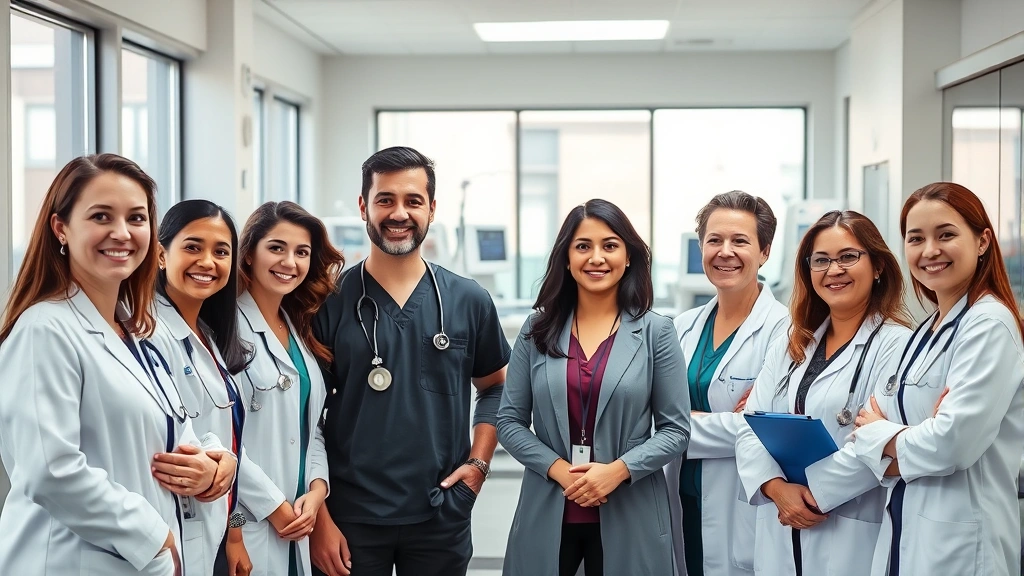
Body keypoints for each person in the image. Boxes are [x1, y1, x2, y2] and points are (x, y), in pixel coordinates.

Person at [0, 154, 222, 575]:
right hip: (74, 560)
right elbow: (50, 470)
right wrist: (154, 539)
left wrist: (214, 461)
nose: (122, 233)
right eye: (102, 216)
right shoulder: (44, 329)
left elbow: (172, 432)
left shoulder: (134, 332)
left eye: (137, 218)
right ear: (60, 228)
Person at [309, 146, 511, 576]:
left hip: (440, 510)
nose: (398, 213)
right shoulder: (328, 305)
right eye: (385, 200)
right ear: (364, 206)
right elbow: (304, 418)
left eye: (413, 201)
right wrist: (320, 521)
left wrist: (477, 466)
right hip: (349, 516)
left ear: (432, 209)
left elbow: (496, 386)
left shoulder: (468, 300)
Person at [497, 199, 691, 576]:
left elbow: (676, 430)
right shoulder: (536, 331)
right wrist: (557, 469)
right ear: (566, 259)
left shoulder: (657, 333)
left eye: (610, 245)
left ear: (629, 256)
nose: (596, 257)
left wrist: (617, 471)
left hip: (630, 508)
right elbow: (509, 422)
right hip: (549, 507)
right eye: (583, 246)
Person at [853, 183, 1024, 576]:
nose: (929, 250)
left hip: (962, 545)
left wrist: (887, 439)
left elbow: (953, 445)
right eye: (916, 238)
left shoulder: (989, 325)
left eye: (945, 235)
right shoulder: (927, 329)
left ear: (982, 241)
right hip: (906, 530)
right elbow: (863, 425)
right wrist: (904, 437)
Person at [734, 210, 912, 576]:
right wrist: (774, 487)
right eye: (821, 260)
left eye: (848, 256)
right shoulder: (793, 342)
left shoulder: (897, 345)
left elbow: (878, 443)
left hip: (848, 523)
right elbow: (747, 426)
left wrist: (813, 495)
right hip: (781, 522)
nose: (834, 270)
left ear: (877, 266)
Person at [664, 191, 789, 576]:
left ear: (765, 251)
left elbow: (763, 429)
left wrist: (673, 425)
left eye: (740, 241)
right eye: (714, 240)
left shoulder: (785, 331)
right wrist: (723, 422)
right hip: (680, 495)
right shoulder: (682, 326)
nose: (725, 251)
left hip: (742, 503)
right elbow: (647, 413)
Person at [235, 201, 344, 576]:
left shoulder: (296, 327)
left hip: (298, 520)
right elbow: (219, 438)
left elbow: (309, 425)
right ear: (249, 254)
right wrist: (274, 507)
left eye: (302, 252)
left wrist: (317, 490)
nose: (289, 262)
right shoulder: (225, 329)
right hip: (248, 521)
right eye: (276, 248)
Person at [149, 200, 251, 576]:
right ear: (161, 255)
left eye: (221, 251)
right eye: (193, 247)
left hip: (212, 527)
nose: (208, 262)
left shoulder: (208, 334)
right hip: (175, 528)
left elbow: (229, 445)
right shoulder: (150, 335)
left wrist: (234, 530)